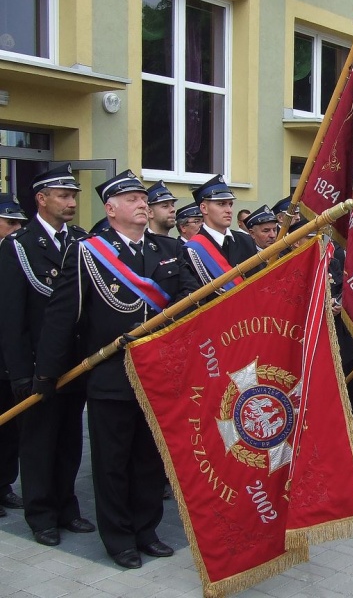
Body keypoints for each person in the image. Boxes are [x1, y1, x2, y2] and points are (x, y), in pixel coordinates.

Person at [32, 169, 199, 569]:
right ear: (110, 209)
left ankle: (146, 530)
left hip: (159, 375)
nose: (142, 204)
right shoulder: (89, 252)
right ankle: (120, 538)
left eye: (143, 198)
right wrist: (47, 373)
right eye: (132, 199)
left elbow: (190, 295)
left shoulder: (168, 248)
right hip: (112, 375)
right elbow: (62, 316)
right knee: (112, 463)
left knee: (150, 459)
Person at [0, 167, 94, 547]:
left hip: (74, 364)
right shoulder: (18, 246)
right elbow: (12, 318)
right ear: (41, 199)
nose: (71, 202)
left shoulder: (80, 240)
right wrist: (20, 374)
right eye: (63, 195)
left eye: (73, 196)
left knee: (70, 441)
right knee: (38, 444)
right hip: (39, 366)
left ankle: (67, 507)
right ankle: (41, 515)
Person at [183, 174, 260, 293]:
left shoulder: (246, 240)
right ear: (204, 208)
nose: (229, 210)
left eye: (230, 204)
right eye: (221, 204)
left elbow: (258, 283)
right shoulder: (191, 250)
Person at [0, 196, 27, 520]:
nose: (17, 228)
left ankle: (4, 484)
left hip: (8, 358)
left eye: (20, 222)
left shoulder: (18, 256)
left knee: (10, 428)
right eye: (11, 222)